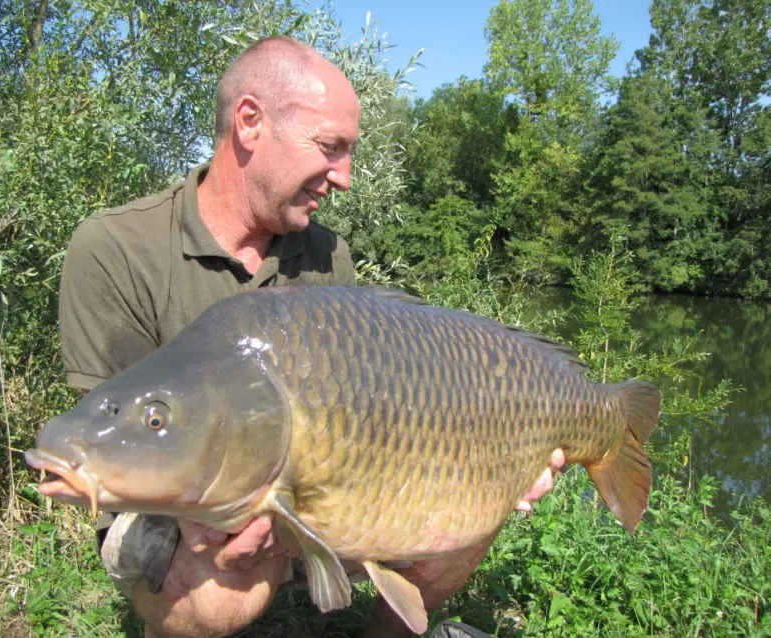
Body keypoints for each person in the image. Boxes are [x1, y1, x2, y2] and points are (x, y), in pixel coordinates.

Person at [58, 36, 565, 638]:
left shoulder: (326, 254)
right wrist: (202, 516)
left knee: (463, 504)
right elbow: (125, 440)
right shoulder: (117, 249)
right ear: (250, 122)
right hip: (175, 501)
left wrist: (490, 461)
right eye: (331, 148)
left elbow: (365, 409)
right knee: (212, 594)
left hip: (302, 486)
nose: (345, 178)